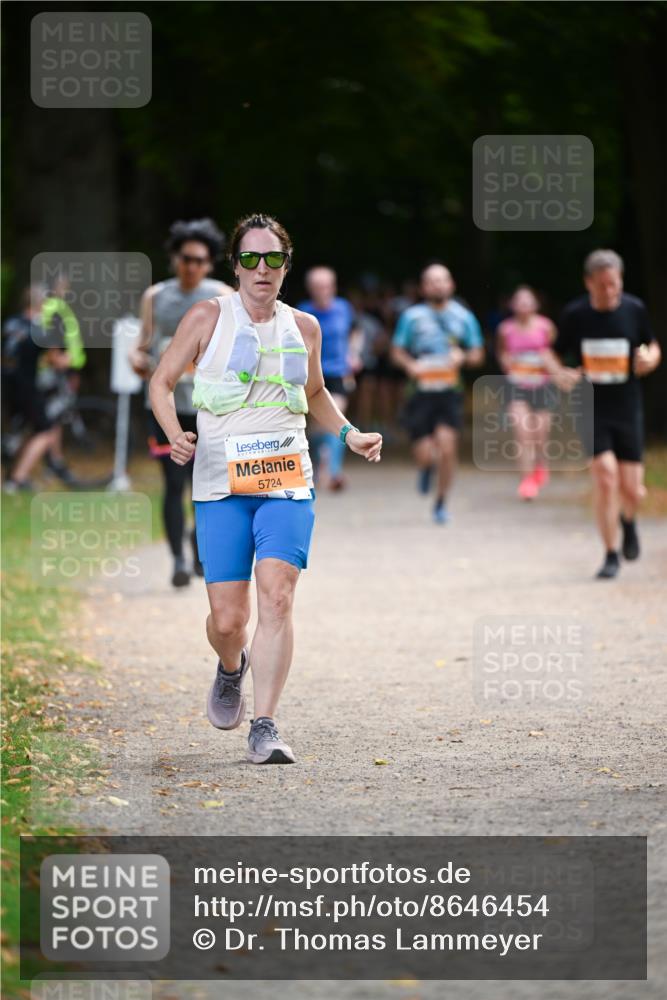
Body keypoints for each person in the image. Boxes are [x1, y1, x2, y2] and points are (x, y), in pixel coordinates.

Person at [149, 213, 382, 764]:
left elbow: (318, 391)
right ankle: (231, 667)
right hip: (220, 483)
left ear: (285, 265)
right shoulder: (207, 316)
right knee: (229, 621)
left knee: (277, 597)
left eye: (272, 258)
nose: (261, 268)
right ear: (234, 266)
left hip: (286, 480)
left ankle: (266, 724)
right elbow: (161, 382)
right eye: (250, 258)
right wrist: (174, 433)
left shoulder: (305, 328)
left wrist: (349, 434)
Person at [130, 219, 232, 587]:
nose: (193, 266)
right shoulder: (155, 297)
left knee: (207, 483)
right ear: (175, 259)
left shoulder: (220, 295)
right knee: (174, 483)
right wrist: (138, 361)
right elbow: (141, 346)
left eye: (200, 260)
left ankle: (198, 544)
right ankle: (177, 560)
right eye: (186, 258)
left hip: (208, 406)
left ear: (209, 264)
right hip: (163, 406)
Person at [550, 249, 661, 579]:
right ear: (589, 283)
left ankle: (629, 520)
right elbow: (552, 355)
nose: (610, 291)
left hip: (627, 407)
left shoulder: (634, 309)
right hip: (592, 408)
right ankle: (610, 553)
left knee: (633, 490)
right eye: (602, 285)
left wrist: (651, 360)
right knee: (604, 473)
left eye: (614, 284)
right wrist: (561, 373)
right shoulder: (575, 315)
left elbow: (652, 346)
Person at [391, 263, 484, 523]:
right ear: (423, 288)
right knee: (425, 453)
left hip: (449, 393)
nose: (438, 285)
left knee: (447, 448)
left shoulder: (463, 317)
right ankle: (425, 467)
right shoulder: (412, 317)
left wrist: (463, 356)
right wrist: (410, 365)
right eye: (432, 281)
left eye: (442, 280)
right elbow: (396, 351)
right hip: (420, 393)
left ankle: (441, 503)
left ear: (451, 284)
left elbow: (478, 354)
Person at [2, 284, 71, 492]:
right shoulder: (42, 328)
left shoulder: (11, 323)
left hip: (4, 383)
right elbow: (55, 360)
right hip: (26, 386)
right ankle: (17, 479)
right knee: (46, 430)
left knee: (17, 430)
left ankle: (9, 469)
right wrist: (68, 359)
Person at [496, 286, 558, 500]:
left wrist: (549, 363)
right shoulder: (505, 329)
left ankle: (541, 463)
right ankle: (527, 481)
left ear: (535, 305)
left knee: (540, 437)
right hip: (517, 387)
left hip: (542, 387)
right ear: (512, 305)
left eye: (527, 301)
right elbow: (502, 353)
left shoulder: (546, 326)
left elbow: (553, 354)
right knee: (523, 434)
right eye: (519, 301)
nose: (523, 305)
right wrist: (506, 362)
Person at [297, 267, 356, 490]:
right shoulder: (302, 312)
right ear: (310, 289)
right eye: (317, 287)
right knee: (317, 427)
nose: (322, 291)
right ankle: (318, 460)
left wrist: (353, 354)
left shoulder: (344, 308)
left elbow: (355, 332)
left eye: (326, 286)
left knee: (337, 417)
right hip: (312, 374)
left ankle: (333, 471)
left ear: (333, 287)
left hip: (338, 373)